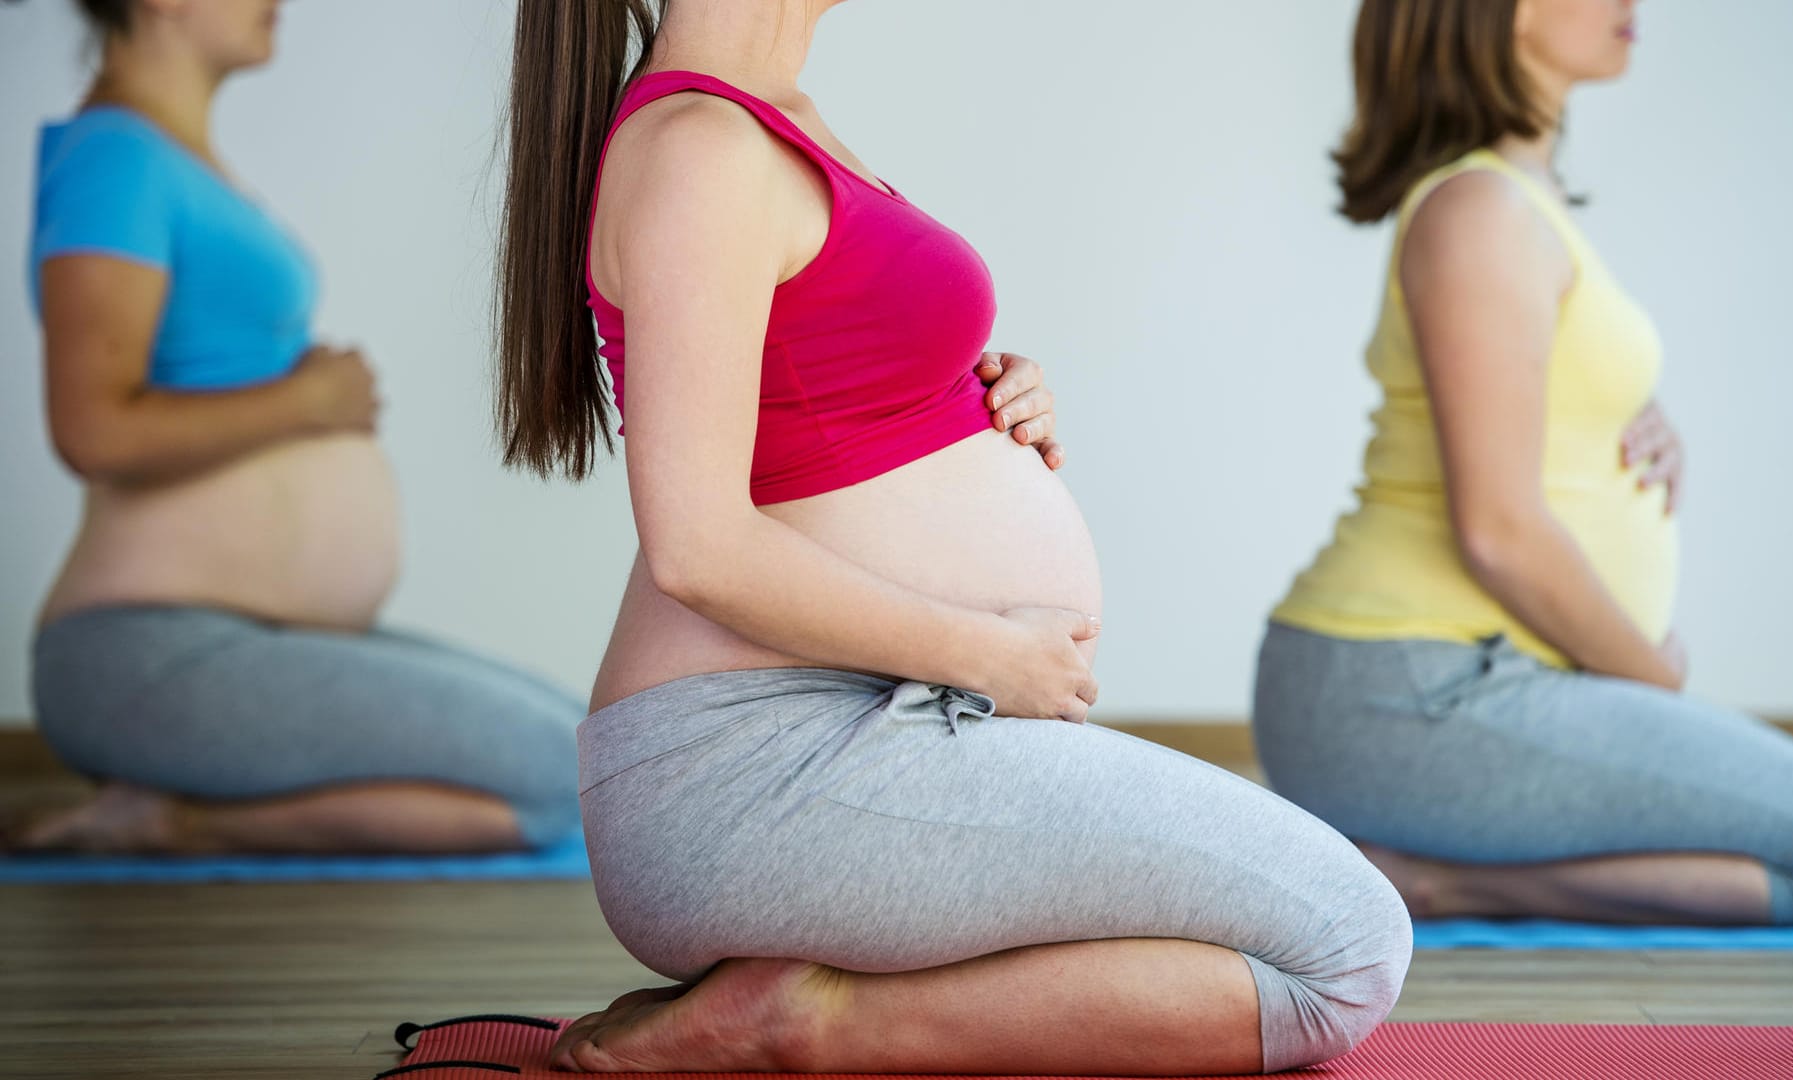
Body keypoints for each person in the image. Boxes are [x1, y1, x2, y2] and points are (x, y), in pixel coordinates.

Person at [494, 0, 1410, 1073]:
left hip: (866, 727)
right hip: (755, 768)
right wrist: (983, 653)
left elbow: (815, 398)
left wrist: (973, 395)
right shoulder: (702, 149)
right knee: (1346, 951)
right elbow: (699, 546)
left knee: (1313, 935)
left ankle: (802, 1005)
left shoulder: (765, 120)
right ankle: (804, 1026)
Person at [1255, 0, 1793, 926]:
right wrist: (1657, 683)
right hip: (1408, 690)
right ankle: (1433, 881)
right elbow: (1500, 532)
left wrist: (1635, 415)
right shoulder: (1479, 211)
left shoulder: (1518, 202)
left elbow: (1535, 400)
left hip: (1466, 679)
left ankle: (1432, 860)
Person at [17, 0, 590, 855]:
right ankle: (178, 825)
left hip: (242, 637)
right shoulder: (114, 163)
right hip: (145, 646)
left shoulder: (166, 159)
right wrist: (308, 404)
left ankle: (172, 800)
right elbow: (92, 427)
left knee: (589, 747)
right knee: (563, 777)